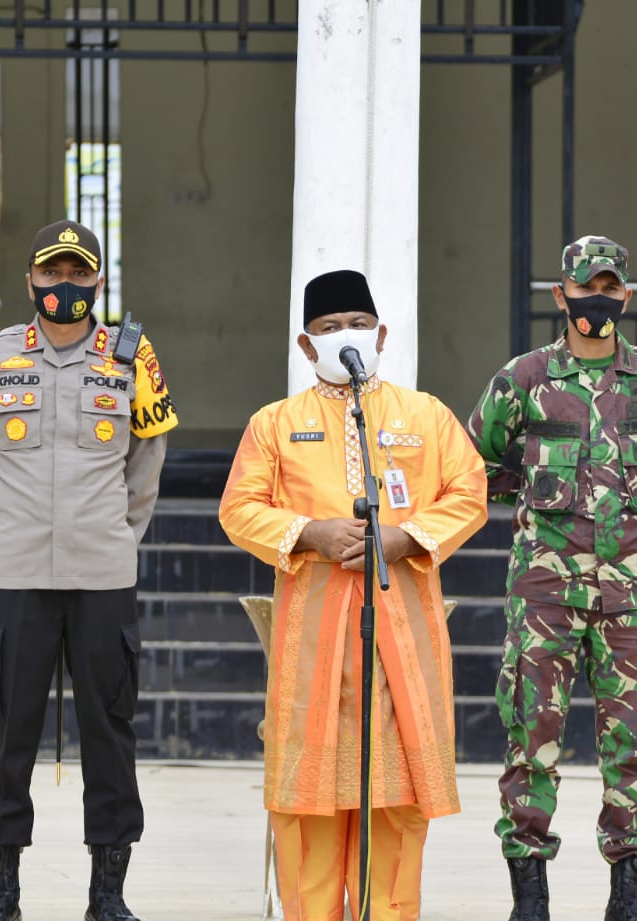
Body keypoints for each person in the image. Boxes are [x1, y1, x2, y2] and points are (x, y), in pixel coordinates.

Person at [218, 269, 489, 921]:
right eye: (331, 328)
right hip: (312, 652)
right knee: (308, 815)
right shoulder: (274, 425)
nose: (348, 337)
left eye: (358, 325)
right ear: (308, 348)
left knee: (395, 809)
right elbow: (238, 507)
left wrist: (405, 537)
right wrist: (309, 531)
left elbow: (470, 491)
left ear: (383, 335)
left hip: (402, 645)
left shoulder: (425, 416)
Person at [466, 236, 637, 921]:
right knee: (530, 736)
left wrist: (632, 508)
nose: (595, 301)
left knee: (632, 740)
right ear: (561, 295)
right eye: (584, 289)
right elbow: (472, 458)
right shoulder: (525, 378)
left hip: (628, 592)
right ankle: (529, 896)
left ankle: (628, 895)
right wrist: (533, 497)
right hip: (544, 590)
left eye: (607, 289)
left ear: (625, 297)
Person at [0, 219, 178, 921]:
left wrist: (117, 534)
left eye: (78, 275)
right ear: (30, 281)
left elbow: (146, 465)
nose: (64, 287)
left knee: (110, 732)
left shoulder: (133, 358)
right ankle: (2, 893)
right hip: (18, 573)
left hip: (103, 576)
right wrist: (5, 540)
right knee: (8, 730)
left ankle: (107, 895)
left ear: (99, 282)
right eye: (52, 274)